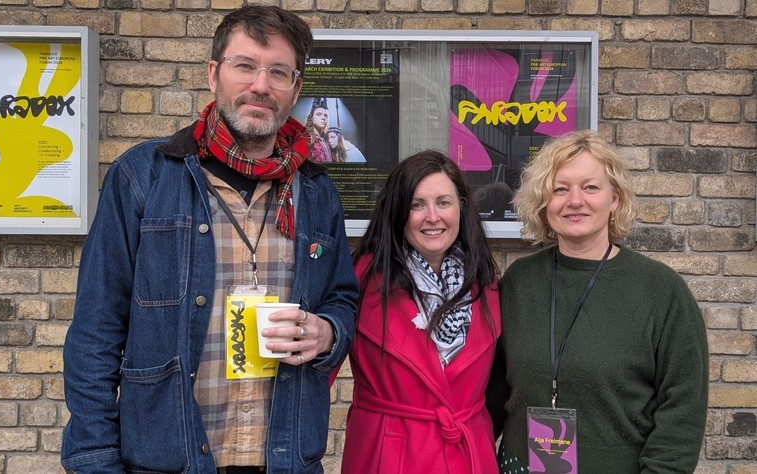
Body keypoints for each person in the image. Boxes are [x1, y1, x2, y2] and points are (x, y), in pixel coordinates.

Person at [60, 6, 359, 473]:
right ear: (214, 74)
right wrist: (95, 460)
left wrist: (327, 332)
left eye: (278, 72)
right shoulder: (143, 177)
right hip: (168, 460)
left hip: (284, 459)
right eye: (245, 66)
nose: (261, 85)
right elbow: (95, 333)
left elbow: (342, 297)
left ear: (295, 89)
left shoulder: (317, 192)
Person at [495, 130, 708, 473]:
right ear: (544, 203)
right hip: (519, 466)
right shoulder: (519, 282)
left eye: (590, 187)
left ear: (615, 199)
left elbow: (682, 407)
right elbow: (490, 388)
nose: (574, 200)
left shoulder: (660, 290)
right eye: (560, 189)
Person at [339, 150, 501, 473]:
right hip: (388, 454)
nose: (432, 216)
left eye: (443, 202)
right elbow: (317, 367)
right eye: (417, 205)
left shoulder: (485, 281)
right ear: (398, 212)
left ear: (461, 208)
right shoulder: (362, 279)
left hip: (469, 455)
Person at [303, 97, 332, 163]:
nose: (323, 118)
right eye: (319, 114)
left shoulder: (326, 140)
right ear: (311, 118)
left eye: (325, 116)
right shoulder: (306, 139)